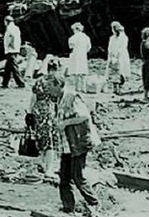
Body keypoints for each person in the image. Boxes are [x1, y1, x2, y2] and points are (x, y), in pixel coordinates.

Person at [49, 78, 101, 216]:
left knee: (78, 176)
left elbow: (84, 116)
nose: (48, 89)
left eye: (50, 86)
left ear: (59, 86)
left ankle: (94, 203)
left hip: (78, 142)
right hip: (67, 144)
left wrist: (65, 123)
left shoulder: (72, 97)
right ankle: (68, 208)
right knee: (64, 177)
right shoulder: (58, 99)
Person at [27, 59, 61, 178]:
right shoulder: (57, 81)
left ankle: (41, 162)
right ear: (58, 69)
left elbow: (33, 97)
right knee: (51, 141)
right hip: (50, 112)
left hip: (38, 110)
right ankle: (49, 169)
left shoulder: (40, 80)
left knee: (41, 137)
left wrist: (29, 112)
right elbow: (60, 99)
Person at [1, 15, 25, 88]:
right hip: (15, 49)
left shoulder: (9, 29)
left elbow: (10, 38)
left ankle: (21, 83)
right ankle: (4, 83)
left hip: (11, 50)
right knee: (7, 68)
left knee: (14, 68)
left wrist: (9, 46)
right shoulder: (16, 28)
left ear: (7, 21)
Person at [107, 22, 130, 95]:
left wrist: (117, 54)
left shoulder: (123, 37)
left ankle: (120, 87)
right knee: (113, 71)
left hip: (121, 56)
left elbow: (122, 47)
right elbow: (110, 47)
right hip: (113, 55)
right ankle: (115, 87)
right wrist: (111, 54)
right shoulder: (112, 38)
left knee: (121, 70)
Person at [67, 23, 91, 93]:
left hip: (76, 55)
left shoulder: (72, 38)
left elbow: (71, 47)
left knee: (76, 71)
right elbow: (89, 47)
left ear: (76, 29)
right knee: (83, 72)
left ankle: (77, 88)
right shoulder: (86, 37)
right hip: (83, 55)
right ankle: (83, 88)